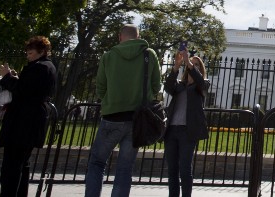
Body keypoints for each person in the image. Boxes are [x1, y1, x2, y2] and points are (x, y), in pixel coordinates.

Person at [85, 24, 161, 197]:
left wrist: (110, 101)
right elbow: (156, 85)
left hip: (112, 116)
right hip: (137, 118)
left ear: (120, 37)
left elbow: (101, 88)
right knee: (125, 168)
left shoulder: (108, 56)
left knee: (97, 163)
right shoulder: (149, 55)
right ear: (138, 36)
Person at [0, 36, 57, 197]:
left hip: (23, 122)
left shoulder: (39, 68)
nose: (28, 56)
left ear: (41, 52)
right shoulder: (45, 67)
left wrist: (7, 77)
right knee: (22, 163)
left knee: (12, 165)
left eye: (30, 53)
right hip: (30, 121)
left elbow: (23, 91)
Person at [163, 48, 209, 197]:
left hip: (188, 132)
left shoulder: (202, 86)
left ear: (199, 69)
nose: (191, 66)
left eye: (195, 65)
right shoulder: (179, 86)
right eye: (190, 64)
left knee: (184, 168)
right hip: (171, 131)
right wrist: (176, 66)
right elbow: (167, 87)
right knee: (172, 170)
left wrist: (188, 62)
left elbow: (200, 82)